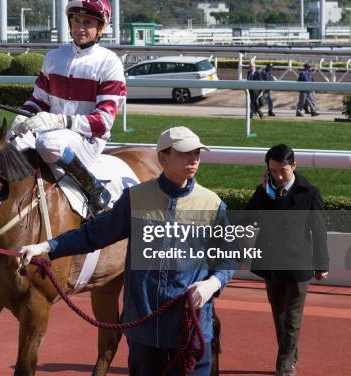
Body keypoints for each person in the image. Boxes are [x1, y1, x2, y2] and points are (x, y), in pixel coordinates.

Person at [20, 127, 236, 375]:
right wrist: (47, 247)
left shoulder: (212, 204)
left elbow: (229, 255)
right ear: (162, 158)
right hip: (144, 333)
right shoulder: (135, 199)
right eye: (185, 153)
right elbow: (93, 234)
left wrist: (213, 284)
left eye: (197, 153)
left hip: (191, 331)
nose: (194, 159)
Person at [11, 0, 126, 216]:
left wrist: (59, 120)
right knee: (10, 142)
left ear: (100, 28)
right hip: (52, 130)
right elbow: (38, 101)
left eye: (88, 22)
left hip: (87, 140)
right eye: (75, 21)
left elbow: (102, 123)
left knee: (48, 143)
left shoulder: (109, 63)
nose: (79, 27)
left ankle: (93, 188)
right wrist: (22, 116)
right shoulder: (54, 57)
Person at [246, 144, 329, 376]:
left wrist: (321, 264)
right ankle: (291, 359)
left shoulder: (309, 193)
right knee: (280, 318)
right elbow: (247, 221)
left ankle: (284, 368)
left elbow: (319, 231)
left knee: (292, 320)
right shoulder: (264, 192)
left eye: (283, 170)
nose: (278, 176)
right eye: (272, 171)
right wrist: (263, 193)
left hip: (298, 265)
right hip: (272, 265)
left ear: (294, 166)